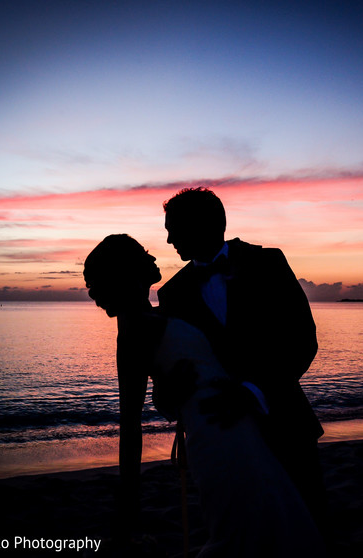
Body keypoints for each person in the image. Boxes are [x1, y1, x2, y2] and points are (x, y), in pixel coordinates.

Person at [83, 234, 325, 557]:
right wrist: (128, 510)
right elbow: (132, 422)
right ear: (128, 271)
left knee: (276, 524)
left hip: (255, 428)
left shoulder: (165, 311)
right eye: (143, 252)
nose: (159, 249)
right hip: (214, 435)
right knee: (242, 533)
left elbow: (298, 342)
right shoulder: (133, 333)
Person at [158, 187, 328, 528]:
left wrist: (253, 391)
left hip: (285, 422)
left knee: (310, 526)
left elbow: (302, 340)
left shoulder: (268, 263)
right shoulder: (172, 294)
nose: (168, 240)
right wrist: (171, 393)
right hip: (221, 438)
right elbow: (169, 378)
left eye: (173, 228)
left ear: (208, 224)